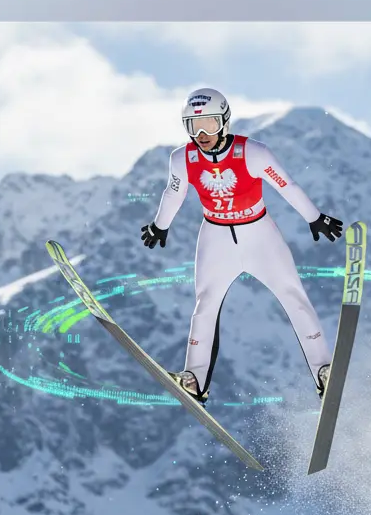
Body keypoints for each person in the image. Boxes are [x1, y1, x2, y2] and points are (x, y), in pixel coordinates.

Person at [140, 87, 343, 406]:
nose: (202, 133)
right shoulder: (182, 159)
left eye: (208, 123)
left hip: (259, 234)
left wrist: (314, 218)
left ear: (224, 121)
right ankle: (194, 379)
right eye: (193, 126)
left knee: (293, 296)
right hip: (216, 236)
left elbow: (285, 185)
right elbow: (173, 193)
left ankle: (323, 370)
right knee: (205, 304)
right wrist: (159, 225)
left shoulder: (253, 152)